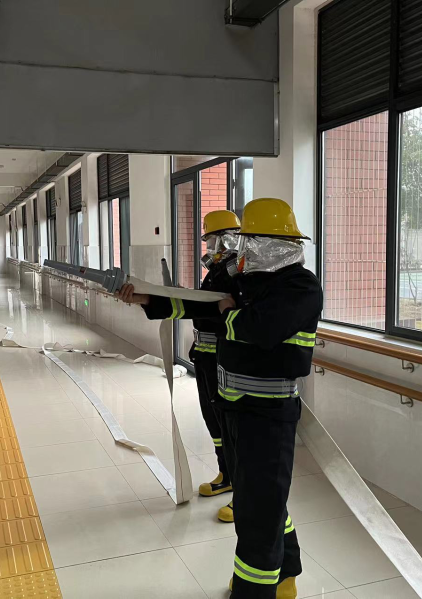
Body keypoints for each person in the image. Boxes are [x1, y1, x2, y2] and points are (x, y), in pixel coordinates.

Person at [120, 198, 322, 599]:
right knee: (259, 501)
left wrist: (229, 311)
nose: (242, 251)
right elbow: (204, 304)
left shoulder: (299, 286)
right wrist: (146, 298)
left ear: (275, 244)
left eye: (251, 242)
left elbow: (260, 329)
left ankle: (254, 590)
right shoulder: (249, 282)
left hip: (268, 415)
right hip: (237, 409)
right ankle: (286, 574)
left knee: (258, 510)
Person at [129, 210, 241, 503]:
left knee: (230, 426)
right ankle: (226, 475)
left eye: (213, 240)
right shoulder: (216, 273)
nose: (211, 247)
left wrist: (160, 299)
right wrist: (155, 298)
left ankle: (241, 490)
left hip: (223, 360)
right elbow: (198, 307)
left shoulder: (236, 276)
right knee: (213, 421)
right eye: (209, 241)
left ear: (228, 239)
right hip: (204, 357)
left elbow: (210, 310)